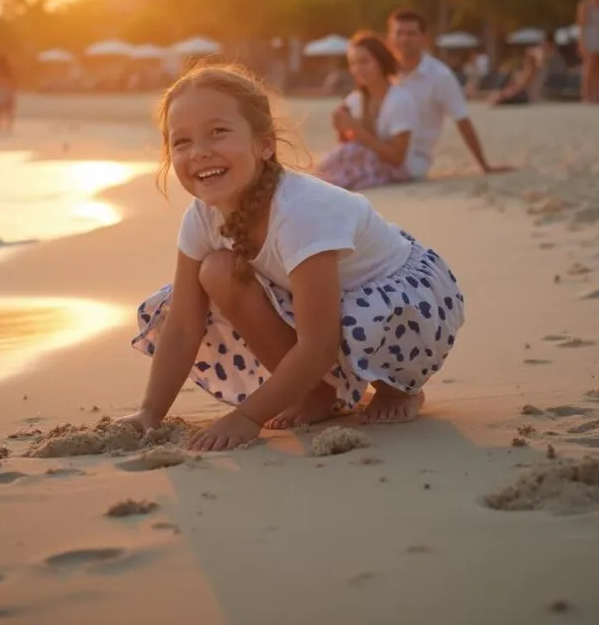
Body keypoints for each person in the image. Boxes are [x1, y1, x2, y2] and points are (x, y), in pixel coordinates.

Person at [120, 64, 465, 452]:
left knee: (350, 323)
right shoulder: (201, 217)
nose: (200, 151)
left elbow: (319, 344)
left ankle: (399, 387)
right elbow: (183, 326)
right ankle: (316, 392)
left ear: (265, 144)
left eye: (218, 132)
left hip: (407, 306)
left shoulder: (300, 212)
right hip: (327, 301)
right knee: (217, 271)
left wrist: (247, 416)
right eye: (182, 141)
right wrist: (150, 413)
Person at [386, 8, 510, 177]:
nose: (404, 39)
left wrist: (484, 166)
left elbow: (462, 120)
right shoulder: (383, 72)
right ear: (390, 38)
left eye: (411, 34)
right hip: (382, 148)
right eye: (399, 33)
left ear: (424, 38)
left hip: (414, 158)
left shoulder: (439, 75)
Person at [315, 32, 417, 190]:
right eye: (353, 63)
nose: (358, 69)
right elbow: (347, 147)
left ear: (381, 62)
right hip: (363, 164)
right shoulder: (355, 99)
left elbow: (397, 158)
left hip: (392, 170)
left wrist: (357, 130)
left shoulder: (399, 99)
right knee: (325, 169)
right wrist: (341, 128)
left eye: (364, 61)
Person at [486, 34, 555, 107]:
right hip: (527, 93)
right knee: (498, 95)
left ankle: (499, 97)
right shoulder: (539, 58)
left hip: (526, 94)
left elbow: (537, 55)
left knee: (498, 96)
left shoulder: (537, 56)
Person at [0, 54, 17, 134]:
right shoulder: (9, 69)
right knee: (8, 109)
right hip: (7, 90)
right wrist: (13, 91)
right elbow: (14, 81)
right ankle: (8, 125)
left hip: (0, 90)